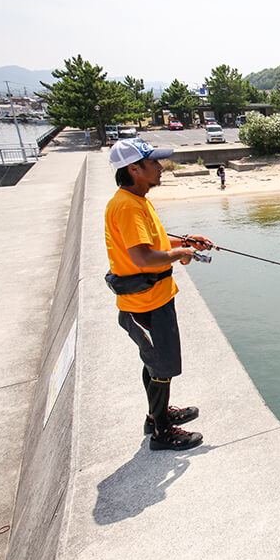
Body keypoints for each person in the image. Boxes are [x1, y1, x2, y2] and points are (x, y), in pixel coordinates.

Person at [105, 138, 214, 450]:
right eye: (154, 163)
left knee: (155, 364)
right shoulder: (126, 206)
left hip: (154, 299)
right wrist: (180, 252)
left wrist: (184, 240)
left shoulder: (137, 200)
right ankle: (161, 433)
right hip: (145, 305)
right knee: (162, 367)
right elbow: (141, 257)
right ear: (134, 169)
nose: (160, 167)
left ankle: (157, 414)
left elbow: (150, 240)